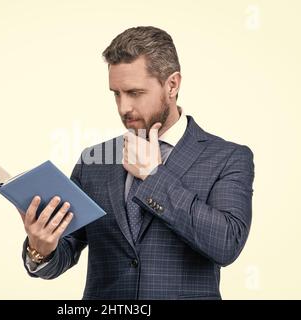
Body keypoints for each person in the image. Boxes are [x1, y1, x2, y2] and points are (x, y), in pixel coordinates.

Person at [19, 26, 255, 299]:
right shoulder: (93, 161)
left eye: (135, 93)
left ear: (172, 84)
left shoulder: (227, 158)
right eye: (116, 93)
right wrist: (40, 248)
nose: (123, 107)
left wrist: (154, 177)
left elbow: (226, 244)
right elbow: (65, 251)